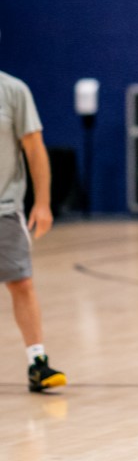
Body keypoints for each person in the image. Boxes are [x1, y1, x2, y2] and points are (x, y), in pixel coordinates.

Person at [0, 70, 66, 393]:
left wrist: (42, 202)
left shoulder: (13, 91)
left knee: (22, 282)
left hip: (4, 207)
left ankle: (37, 362)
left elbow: (34, 148)